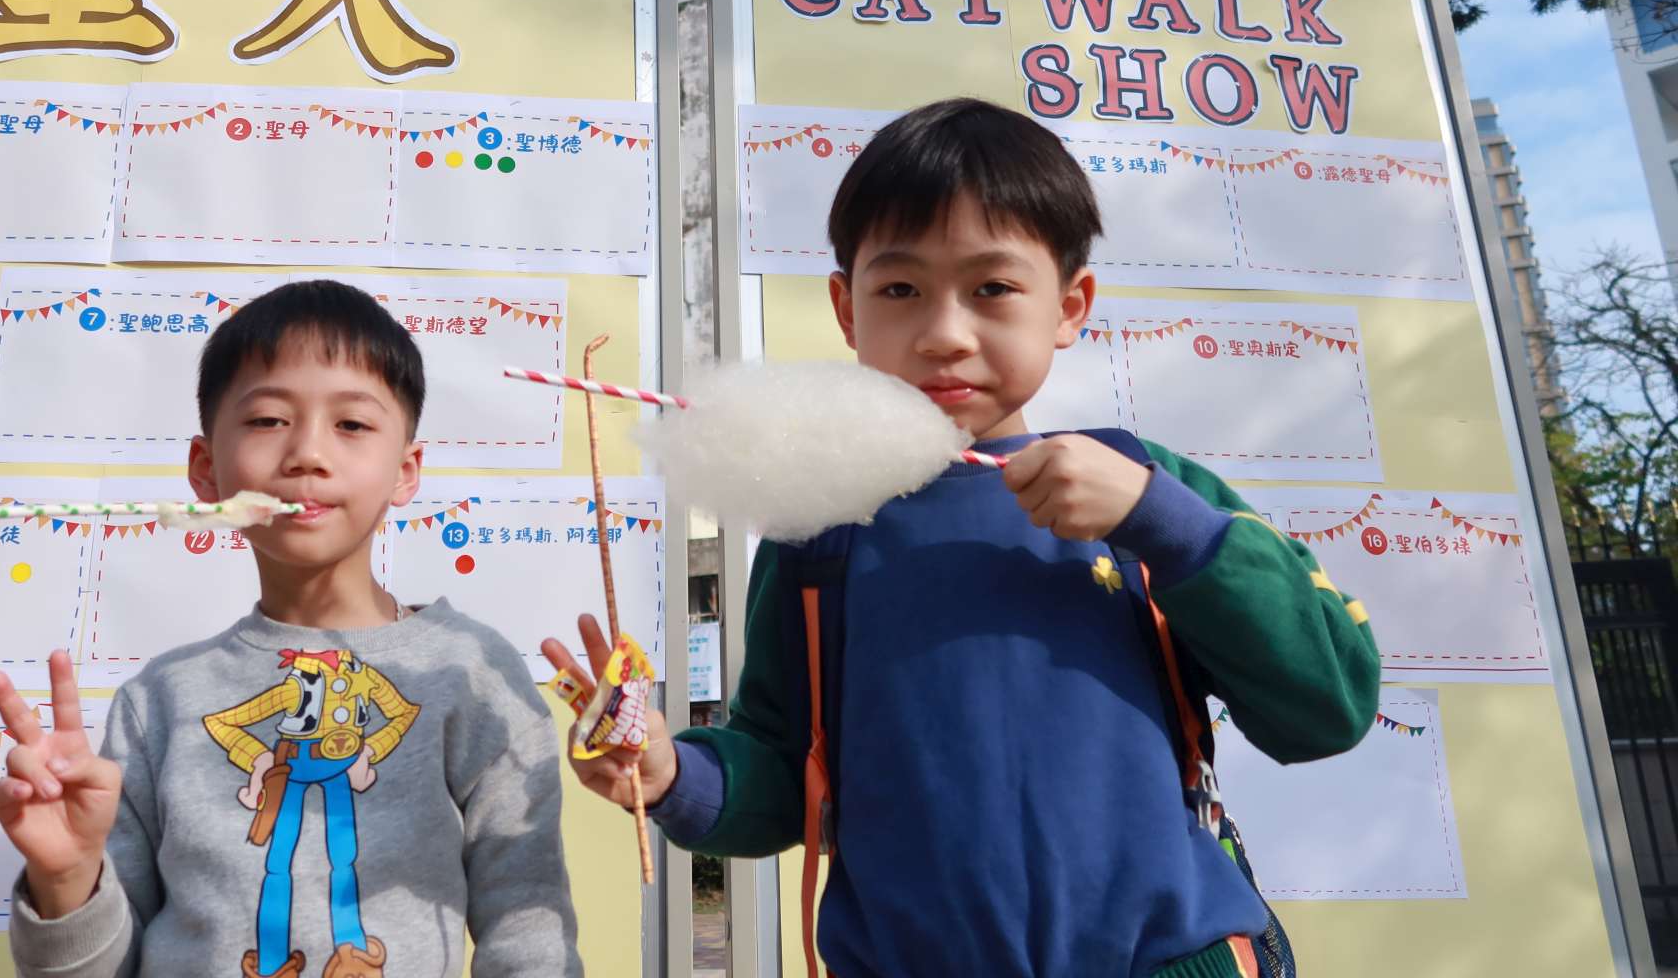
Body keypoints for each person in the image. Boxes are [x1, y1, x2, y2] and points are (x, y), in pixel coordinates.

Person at [546, 98, 1380, 977]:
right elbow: (787, 770)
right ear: (846, 309)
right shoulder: (821, 528)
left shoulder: (1149, 491)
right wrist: (671, 775)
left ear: (1070, 305)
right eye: (901, 290)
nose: (944, 335)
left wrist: (1159, 520)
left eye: (992, 289)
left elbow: (1326, 707)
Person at [0, 279, 583, 978]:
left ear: (405, 471)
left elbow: (527, 927)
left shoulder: (468, 672)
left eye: (352, 425)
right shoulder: (158, 702)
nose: (307, 452)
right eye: (269, 420)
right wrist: (65, 880)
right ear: (206, 471)